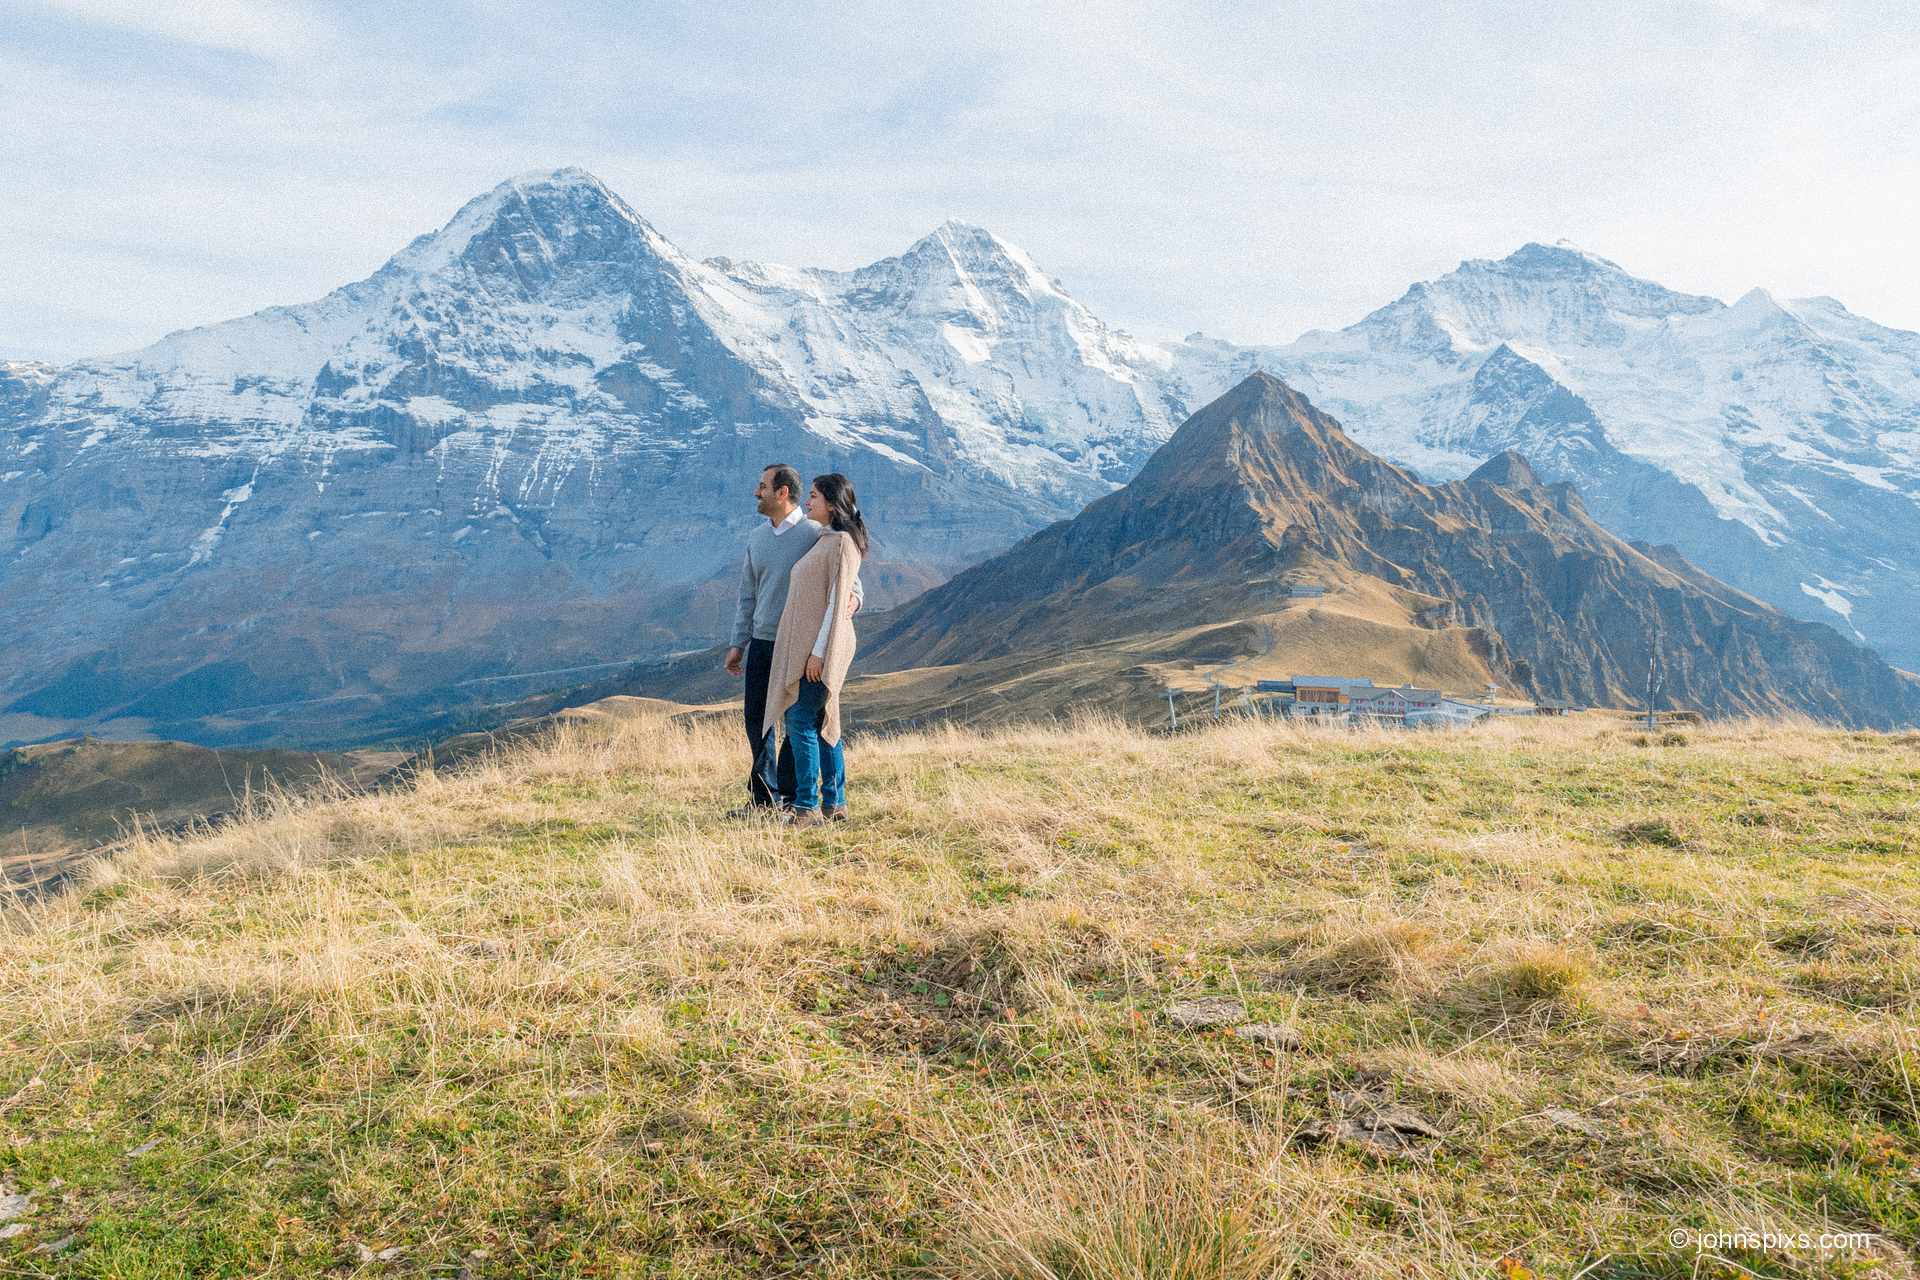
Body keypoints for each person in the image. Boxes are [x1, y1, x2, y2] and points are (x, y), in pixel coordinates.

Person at [723, 464, 861, 817]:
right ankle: (764, 798)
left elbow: (850, 581)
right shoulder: (756, 538)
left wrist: (853, 602)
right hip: (764, 640)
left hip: (801, 643)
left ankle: (792, 798)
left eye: (762, 486)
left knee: (799, 719)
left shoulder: (817, 533)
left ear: (782, 492)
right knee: (759, 720)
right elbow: (747, 595)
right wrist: (739, 642)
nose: (756, 492)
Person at [762, 473, 867, 827]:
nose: (808, 503)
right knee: (824, 721)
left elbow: (837, 603)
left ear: (832, 504)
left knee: (801, 720)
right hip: (817, 647)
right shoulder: (828, 539)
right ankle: (834, 803)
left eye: (814, 497)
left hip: (822, 649)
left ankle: (807, 806)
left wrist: (819, 653)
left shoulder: (839, 544)